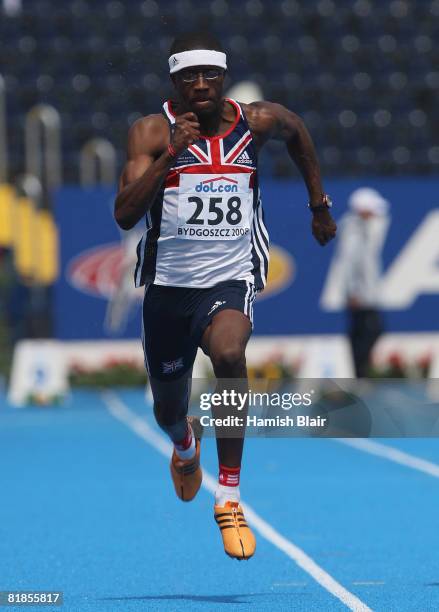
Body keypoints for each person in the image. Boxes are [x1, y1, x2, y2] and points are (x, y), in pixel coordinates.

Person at [114, 31, 336, 560]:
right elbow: (124, 214)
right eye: (189, 76)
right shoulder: (151, 132)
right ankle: (185, 444)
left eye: (210, 74)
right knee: (168, 410)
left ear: (223, 77)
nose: (201, 84)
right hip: (168, 289)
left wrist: (318, 204)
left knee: (232, 352)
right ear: (174, 83)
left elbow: (298, 132)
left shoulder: (255, 122)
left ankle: (230, 494)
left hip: (228, 278)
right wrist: (172, 157)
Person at [335, 187, 390, 377]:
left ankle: (361, 372)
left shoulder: (360, 228)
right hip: (360, 295)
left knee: (363, 333)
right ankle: (360, 374)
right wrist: (353, 292)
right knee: (365, 333)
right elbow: (350, 263)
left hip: (366, 294)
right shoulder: (353, 231)